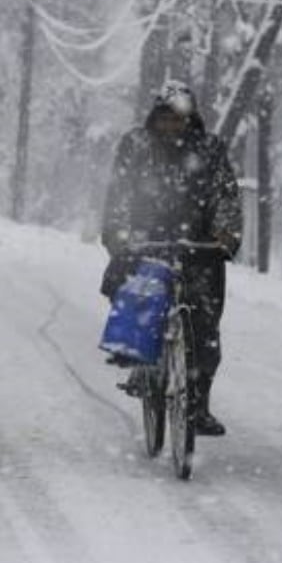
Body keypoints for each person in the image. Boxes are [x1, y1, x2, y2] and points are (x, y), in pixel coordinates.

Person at [100, 81, 242, 436]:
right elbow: (119, 193)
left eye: (178, 119)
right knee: (139, 302)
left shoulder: (209, 149)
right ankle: (141, 365)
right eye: (165, 118)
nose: (171, 126)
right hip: (146, 242)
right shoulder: (137, 146)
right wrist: (118, 233)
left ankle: (198, 405)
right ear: (154, 118)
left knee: (205, 330)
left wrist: (224, 234)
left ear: (191, 119)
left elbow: (225, 194)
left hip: (198, 246)